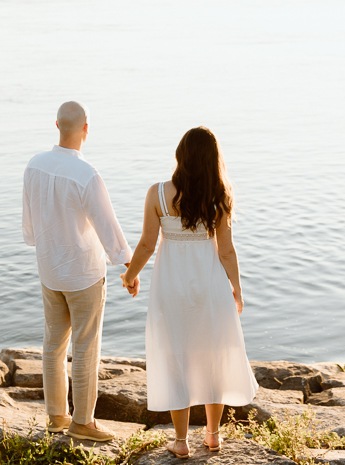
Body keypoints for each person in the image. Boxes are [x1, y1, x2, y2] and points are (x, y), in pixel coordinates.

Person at [120, 126, 258, 458]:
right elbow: (226, 251)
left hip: (172, 290)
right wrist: (237, 288)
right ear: (214, 160)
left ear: (180, 155)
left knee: (175, 357)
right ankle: (212, 436)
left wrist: (129, 275)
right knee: (213, 356)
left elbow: (146, 244)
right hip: (210, 289)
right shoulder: (219, 197)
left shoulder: (157, 194)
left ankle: (181, 441)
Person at [22, 101, 138, 442]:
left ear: (56, 124)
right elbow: (108, 227)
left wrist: (38, 242)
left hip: (49, 271)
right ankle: (83, 422)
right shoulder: (87, 174)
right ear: (87, 129)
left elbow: (29, 224)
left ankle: (56, 416)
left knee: (53, 346)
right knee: (86, 347)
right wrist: (129, 266)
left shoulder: (34, 166)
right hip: (84, 274)